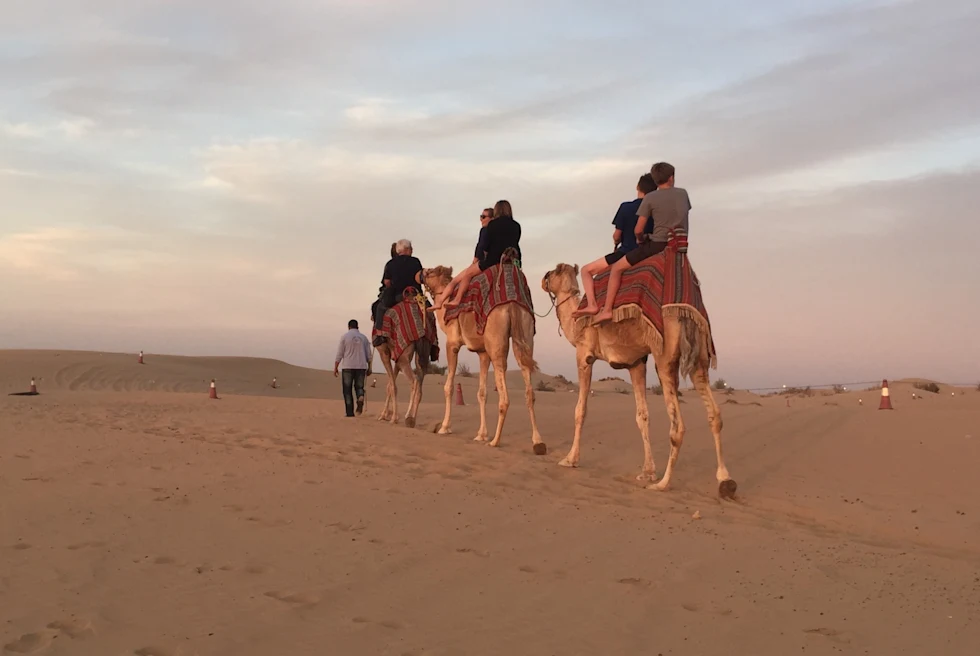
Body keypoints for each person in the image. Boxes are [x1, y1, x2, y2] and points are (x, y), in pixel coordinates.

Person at [592, 162, 690, 324]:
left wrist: (641, 239)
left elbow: (638, 229)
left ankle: (607, 310)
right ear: (671, 178)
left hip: (657, 245)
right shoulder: (683, 194)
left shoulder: (650, 198)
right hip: (679, 245)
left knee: (616, 268)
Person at [573, 173, 657, 317]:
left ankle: (593, 305)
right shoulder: (655, 211)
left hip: (625, 251)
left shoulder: (626, 207)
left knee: (586, 270)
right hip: (648, 251)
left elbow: (617, 235)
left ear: (638, 187)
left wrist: (616, 241)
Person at [445, 200, 521, 308]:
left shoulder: (492, 225)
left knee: (468, 274)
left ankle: (457, 300)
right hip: (514, 262)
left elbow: (485, 248)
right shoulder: (516, 226)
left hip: (493, 261)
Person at [429, 208, 494, 311]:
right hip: (491, 262)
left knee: (457, 280)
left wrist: (474, 261)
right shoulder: (495, 232)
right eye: (480, 216)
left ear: (491, 218)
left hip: (482, 262)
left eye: (483, 217)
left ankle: (450, 300)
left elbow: (481, 247)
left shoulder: (485, 230)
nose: (481, 219)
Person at [373, 238, 424, 345]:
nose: (412, 250)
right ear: (406, 249)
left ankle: (380, 335)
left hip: (398, 296)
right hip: (415, 295)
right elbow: (420, 278)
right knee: (429, 311)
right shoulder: (416, 261)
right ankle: (433, 343)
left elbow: (386, 282)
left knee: (379, 307)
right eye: (410, 248)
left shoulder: (390, 264)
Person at [334, 319, 372, 417]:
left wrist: (336, 367)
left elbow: (340, 353)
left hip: (348, 366)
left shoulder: (345, 337)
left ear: (349, 327)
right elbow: (369, 355)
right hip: (361, 366)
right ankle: (360, 396)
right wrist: (370, 367)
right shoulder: (364, 338)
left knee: (347, 390)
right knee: (359, 387)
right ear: (357, 327)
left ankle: (349, 413)